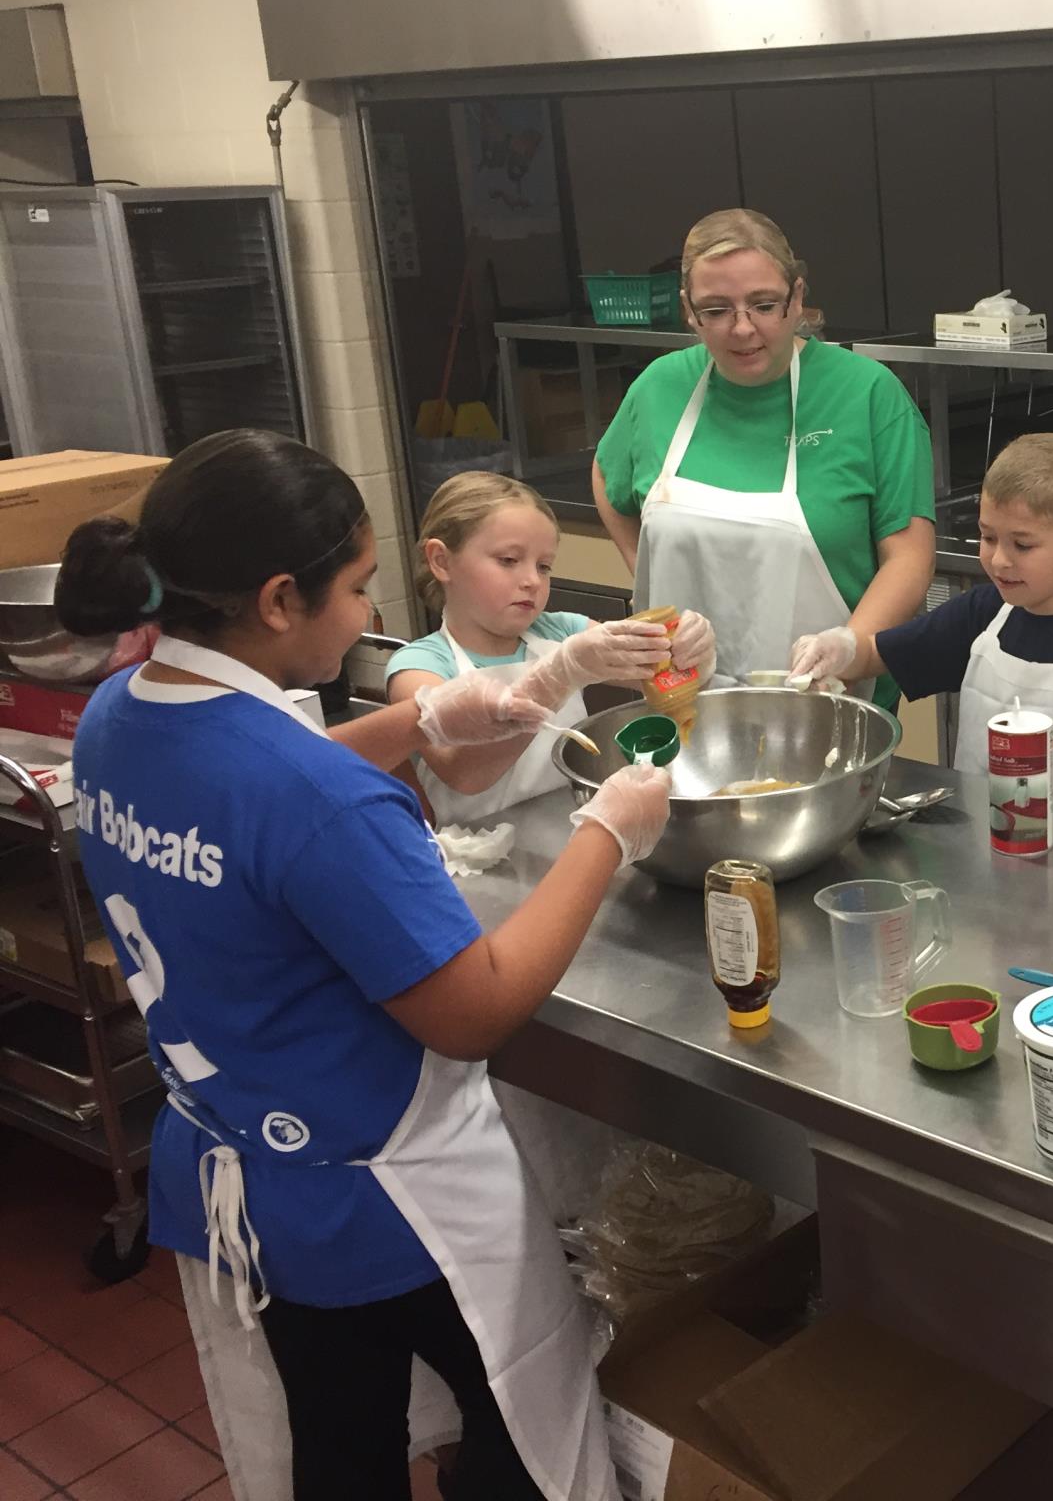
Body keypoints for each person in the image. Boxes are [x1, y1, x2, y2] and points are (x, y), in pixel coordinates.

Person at [56, 429, 672, 1501]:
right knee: (514, 1427)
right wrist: (608, 834)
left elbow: (247, 808)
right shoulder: (319, 803)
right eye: (355, 588)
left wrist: (415, 719)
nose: (363, 612)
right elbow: (473, 1012)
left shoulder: (117, 717)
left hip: (248, 1169)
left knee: (340, 1448)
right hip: (389, 1193)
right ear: (281, 599)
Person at [591, 207, 936, 704]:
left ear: (796, 298)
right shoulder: (659, 388)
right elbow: (607, 477)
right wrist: (645, 572)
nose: (742, 329)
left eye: (763, 304)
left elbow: (908, 559)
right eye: (716, 309)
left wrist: (851, 648)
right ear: (689, 309)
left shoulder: (867, 395)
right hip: (685, 704)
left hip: (828, 706)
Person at [787, 432, 1053, 797]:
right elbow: (879, 655)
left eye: (1023, 545)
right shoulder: (981, 614)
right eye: (987, 537)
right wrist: (841, 648)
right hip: (983, 850)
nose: (999, 560)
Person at [385, 470, 712, 826]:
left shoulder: (561, 630)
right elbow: (464, 773)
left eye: (543, 567)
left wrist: (691, 654)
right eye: (508, 560)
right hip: (475, 859)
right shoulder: (418, 667)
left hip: (571, 833)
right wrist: (560, 674)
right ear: (442, 561)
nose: (531, 581)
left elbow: (661, 675)